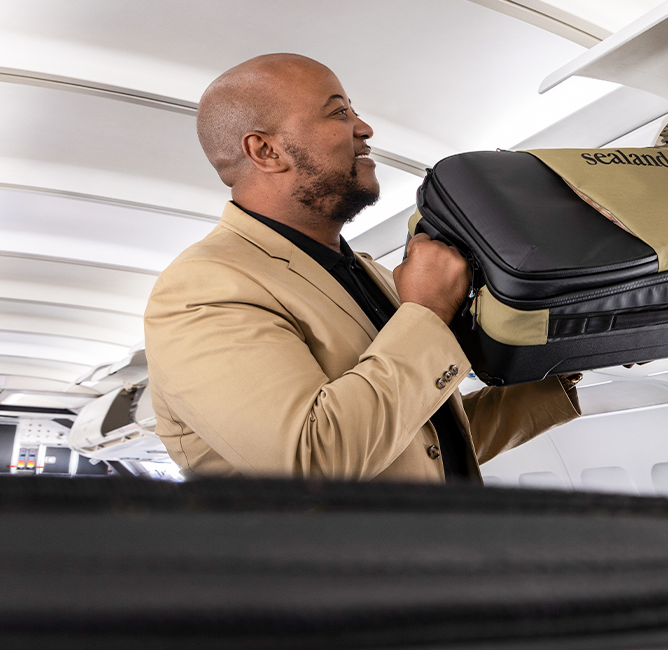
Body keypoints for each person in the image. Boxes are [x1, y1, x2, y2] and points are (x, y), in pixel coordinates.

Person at [144, 53, 580, 481]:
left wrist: (566, 362)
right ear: (266, 150)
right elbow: (315, 460)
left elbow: (415, 445)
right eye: (338, 112)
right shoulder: (203, 287)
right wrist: (427, 312)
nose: (365, 128)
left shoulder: (364, 271)